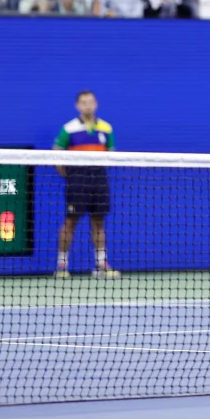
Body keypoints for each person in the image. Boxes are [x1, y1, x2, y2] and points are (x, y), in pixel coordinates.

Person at [54, 90, 120, 280]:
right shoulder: (68, 129)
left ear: (96, 104)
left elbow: (112, 155)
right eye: (84, 102)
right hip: (77, 181)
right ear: (78, 106)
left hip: (99, 180)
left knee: (99, 222)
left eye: (91, 102)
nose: (88, 105)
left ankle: (101, 264)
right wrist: (69, 176)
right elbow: (56, 154)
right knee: (70, 221)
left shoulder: (106, 128)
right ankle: (62, 264)